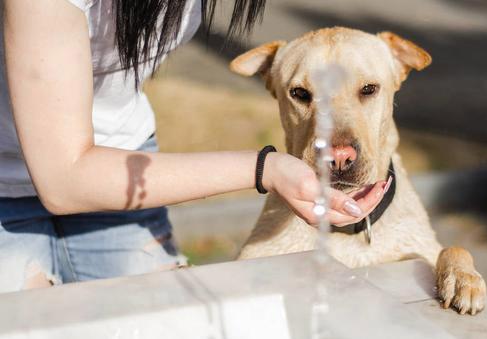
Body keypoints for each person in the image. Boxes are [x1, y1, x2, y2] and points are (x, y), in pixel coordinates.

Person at [0, 0, 386, 293]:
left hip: (122, 161)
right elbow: (65, 180)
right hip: (16, 182)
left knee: (160, 321)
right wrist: (266, 169)